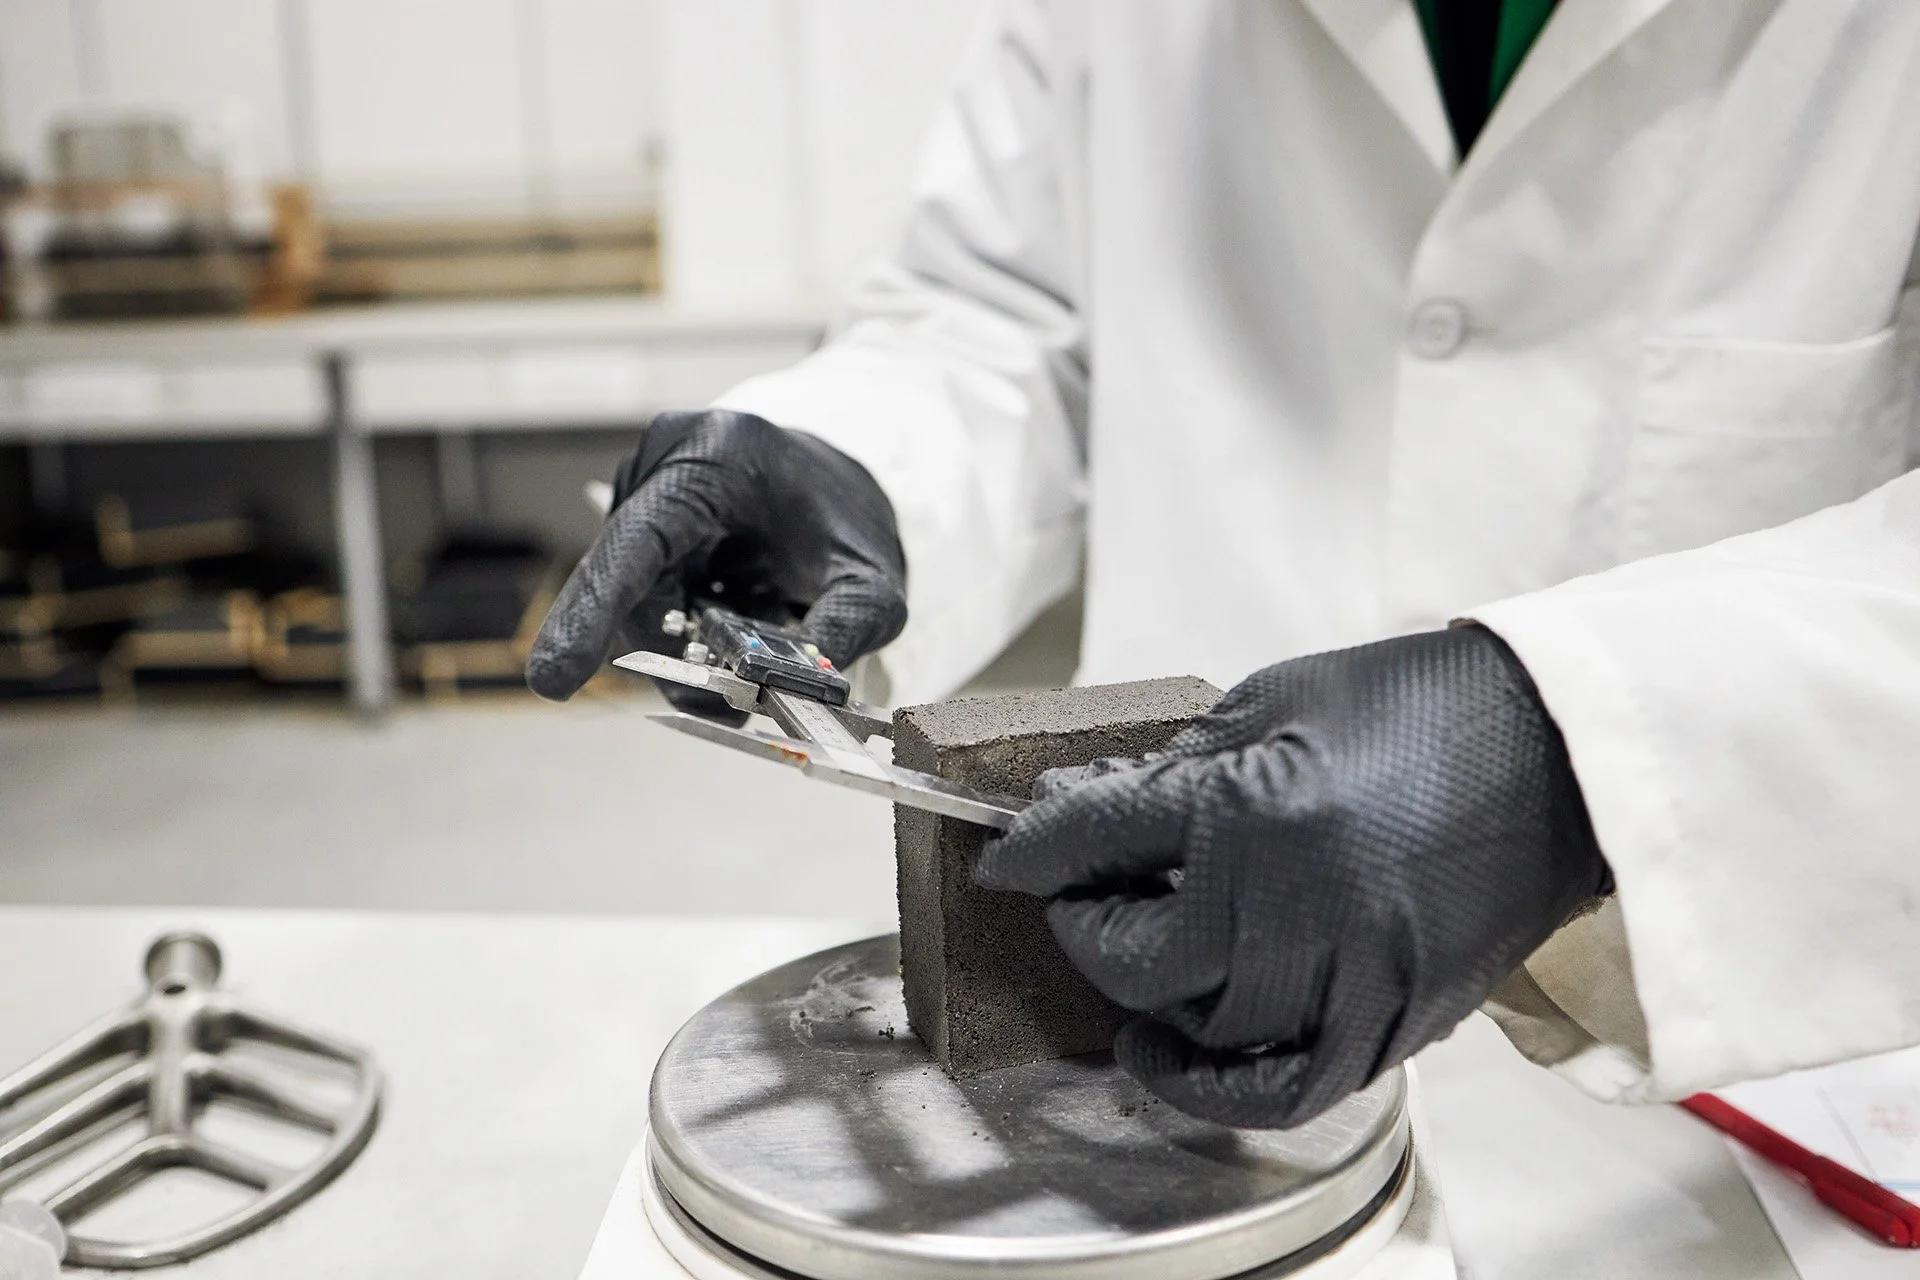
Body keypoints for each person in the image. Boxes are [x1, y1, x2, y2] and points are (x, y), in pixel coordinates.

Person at [528, 1, 1920, 1129]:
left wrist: (1588, 757)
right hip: (1146, 1054)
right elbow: (1005, 309)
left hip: (1747, 1051)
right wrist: (867, 463)